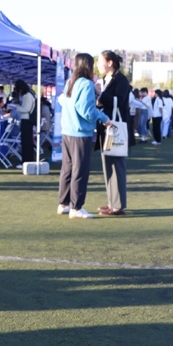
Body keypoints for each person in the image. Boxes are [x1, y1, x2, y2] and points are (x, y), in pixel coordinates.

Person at [57, 53, 111, 219]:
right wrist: (103, 118)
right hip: (80, 133)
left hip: (67, 131)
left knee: (67, 169)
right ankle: (76, 207)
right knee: (80, 170)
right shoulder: (87, 84)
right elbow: (87, 112)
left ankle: (64, 204)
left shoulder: (70, 82)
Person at [95, 50, 134, 216]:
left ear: (110, 62)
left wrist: (100, 94)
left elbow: (119, 102)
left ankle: (118, 205)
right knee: (107, 165)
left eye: (100, 61)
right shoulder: (106, 80)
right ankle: (112, 201)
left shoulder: (121, 80)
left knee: (117, 165)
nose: (97, 65)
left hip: (116, 128)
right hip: (107, 128)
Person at [11, 79, 37, 164]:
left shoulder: (28, 95)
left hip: (27, 120)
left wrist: (16, 107)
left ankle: (26, 161)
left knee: (26, 142)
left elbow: (26, 109)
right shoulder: (29, 94)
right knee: (27, 142)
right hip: (27, 120)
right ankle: (27, 160)